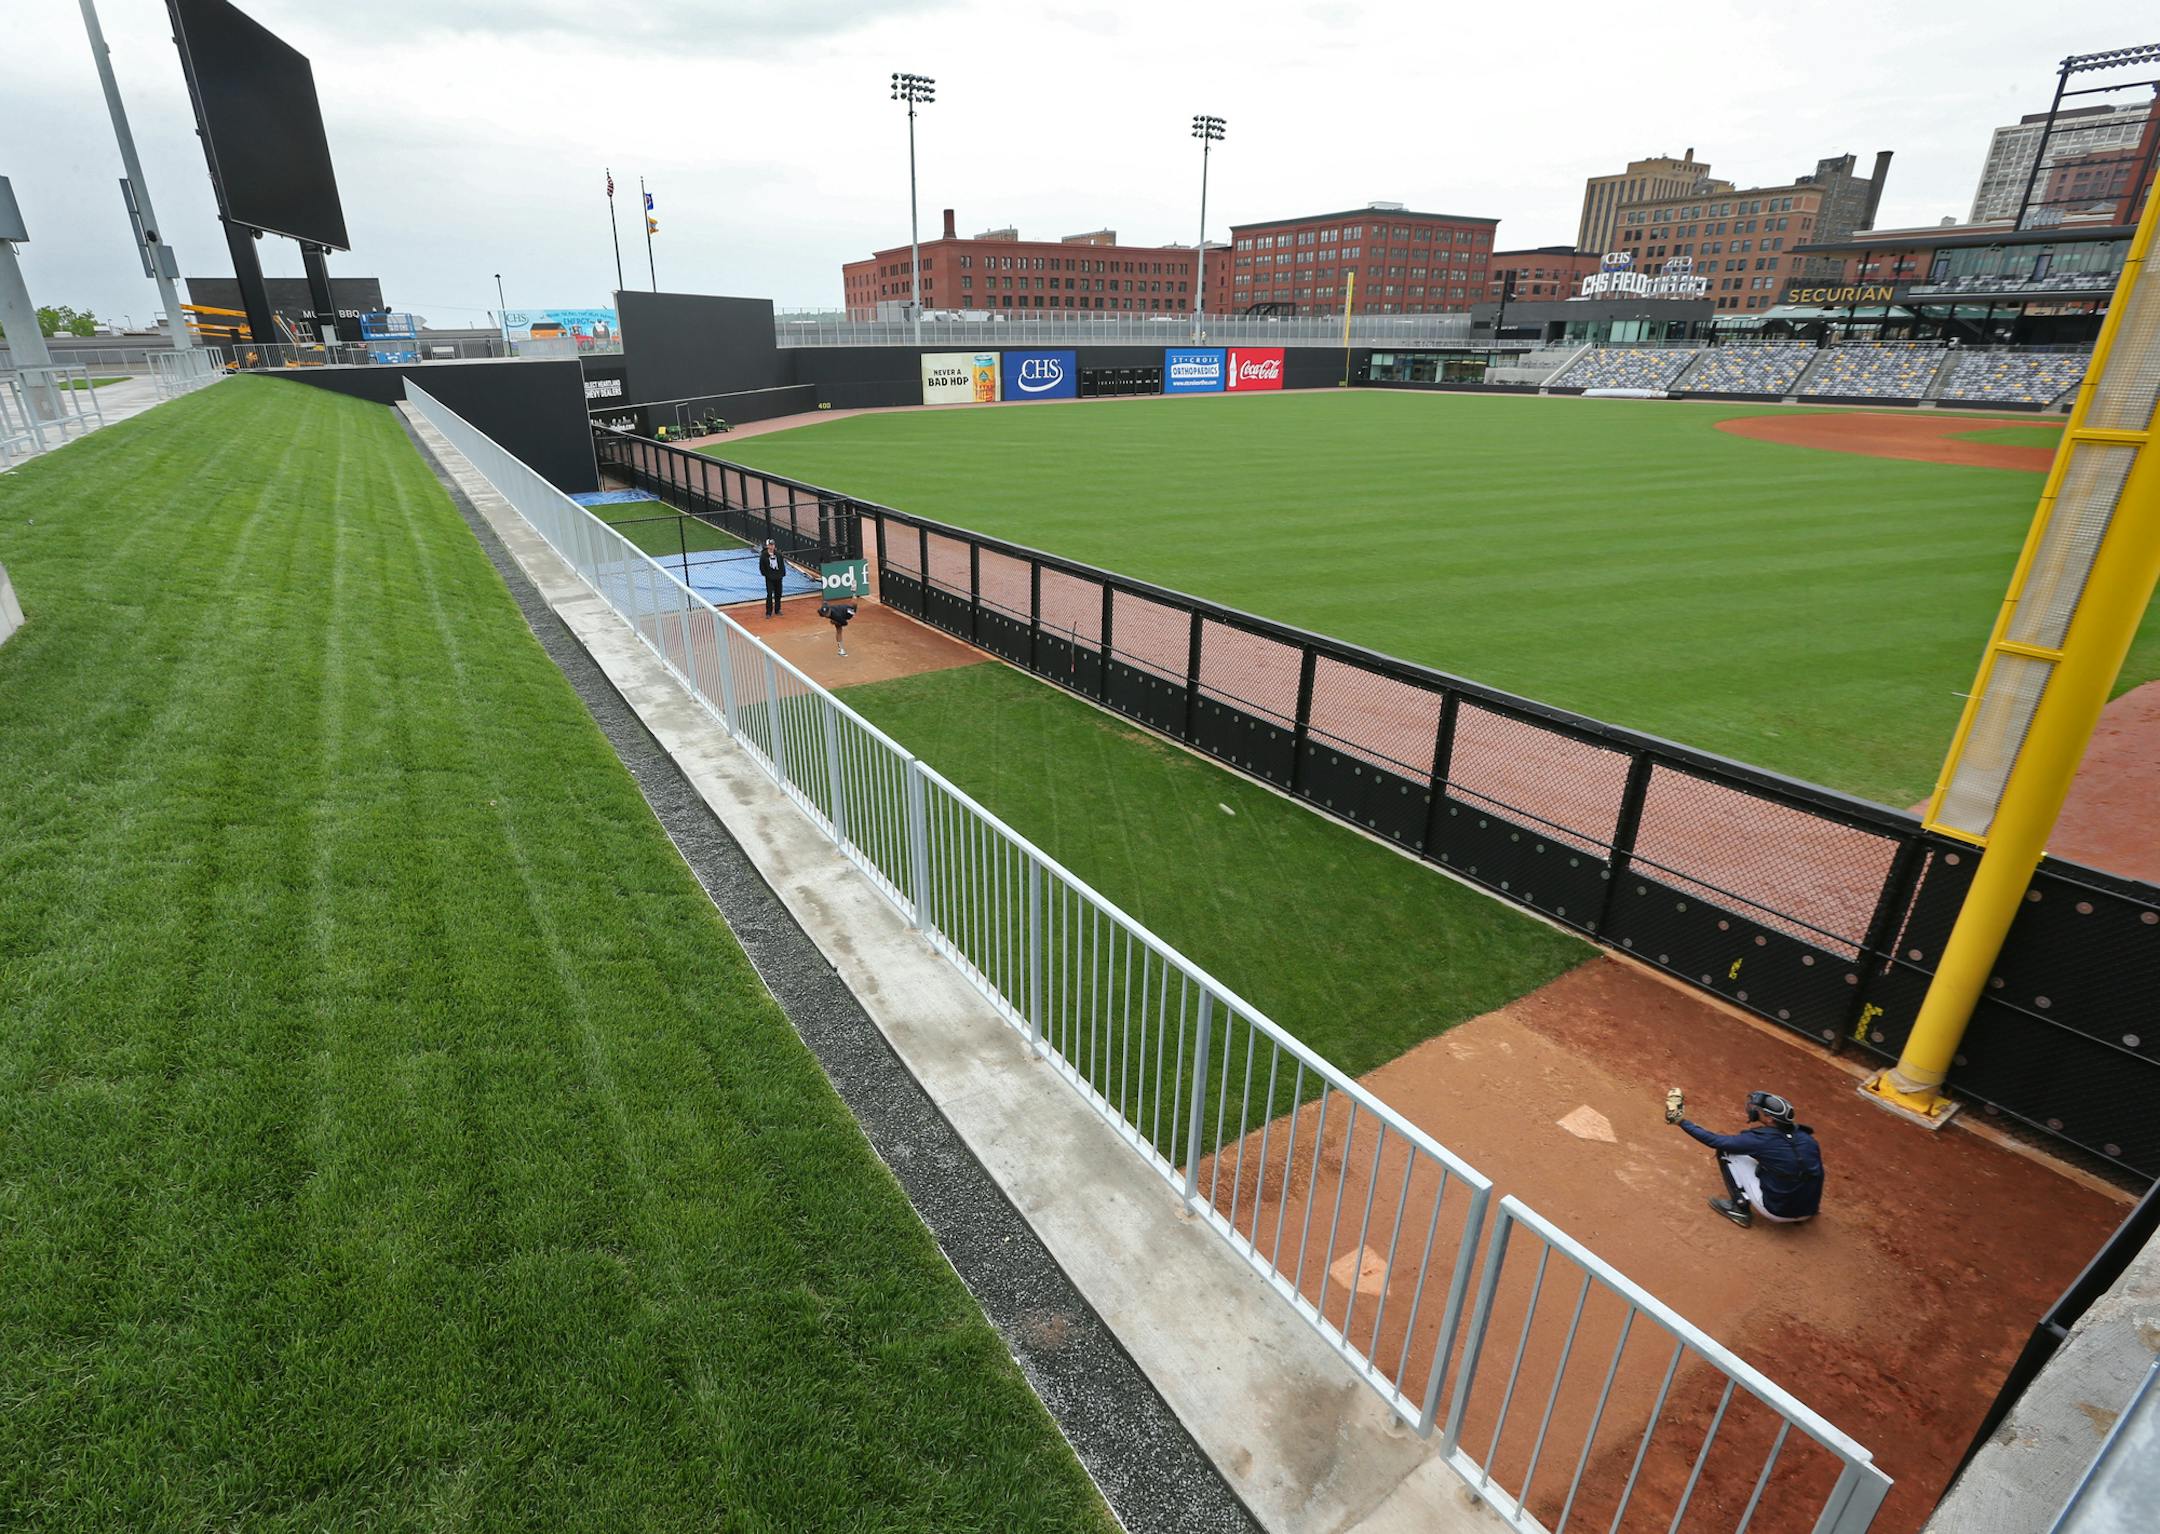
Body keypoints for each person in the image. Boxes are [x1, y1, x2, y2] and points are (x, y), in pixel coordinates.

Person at [1674, 1091, 1823, 1229]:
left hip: (1777, 1211)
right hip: (1809, 1210)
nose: (1755, 1110)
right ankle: (1800, 1213)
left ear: (1770, 1119)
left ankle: (1740, 1208)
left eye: (1760, 1110)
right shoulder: (1808, 1139)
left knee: (1726, 1150)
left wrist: (1681, 1121)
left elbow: (1715, 1141)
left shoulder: (1760, 1140)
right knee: (1797, 1168)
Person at [757, 539, 786, 618]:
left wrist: (781, 574)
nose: (772, 546)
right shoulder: (764, 555)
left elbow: (782, 565)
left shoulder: (778, 554)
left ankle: (777, 610)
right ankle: (768, 612)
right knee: (769, 594)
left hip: (778, 578)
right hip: (769, 578)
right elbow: (762, 567)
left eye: (773, 545)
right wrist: (767, 575)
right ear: (767, 546)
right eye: (770, 545)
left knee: (778, 594)